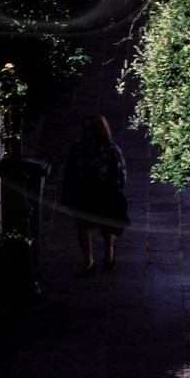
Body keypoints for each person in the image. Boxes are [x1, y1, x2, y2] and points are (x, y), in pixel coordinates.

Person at [59, 114, 129, 276]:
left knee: (106, 225)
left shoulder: (111, 149)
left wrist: (114, 190)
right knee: (82, 226)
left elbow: (120, 173)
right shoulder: (78, 147)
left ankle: (108, 252)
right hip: (83, 192)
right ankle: (89, 261)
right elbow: (70, 170)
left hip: (103, 193)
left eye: (87, 128)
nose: (83, 131)